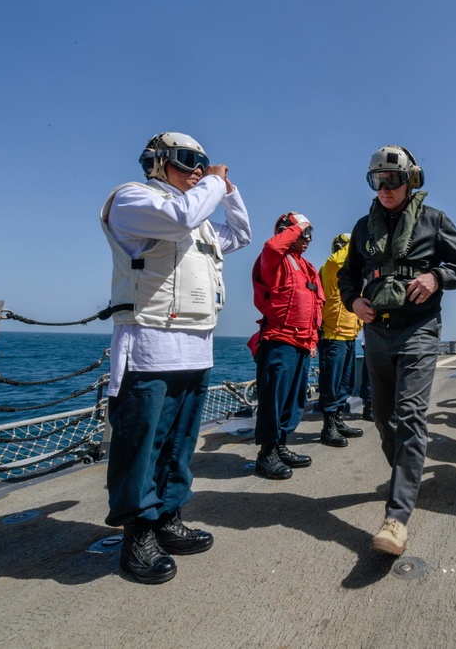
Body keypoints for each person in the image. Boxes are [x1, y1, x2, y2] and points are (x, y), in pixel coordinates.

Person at [100, 131, 251, 584]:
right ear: (157, 162)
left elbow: (241, 234)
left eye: (202, 163)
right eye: (187, 161)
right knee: (142, 445)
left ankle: (168, 517)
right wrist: (214, 185)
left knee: (180, 444)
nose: (197, 171)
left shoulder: (201, 216)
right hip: (150, 345)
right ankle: (138, 531)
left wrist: (230, 189)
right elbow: (182, 215)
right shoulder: (134, 200)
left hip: (196, 345)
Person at [338, 145, 456, 556]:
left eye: (392, 180)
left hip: (418, 330)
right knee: (383, 419)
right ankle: (406, 475)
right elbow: (348, 276)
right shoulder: (364, 227)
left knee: (412, 416)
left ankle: (396, 518)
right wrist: (352, 302)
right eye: (376, 181)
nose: (384, 188)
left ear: (410, 180)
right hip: (377, 335)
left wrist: (436, 276)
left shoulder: (435, 222)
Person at [249, 212, 324, 480]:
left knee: (293, 400)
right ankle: (266, 454)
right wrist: (298, 226)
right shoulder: (274, 260)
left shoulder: (307, 267)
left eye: (310, 234)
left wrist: (313, 340)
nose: (307, 239)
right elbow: (271, 245)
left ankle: (281, 446)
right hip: (278, 340)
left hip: (302, 343)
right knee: (273, 398)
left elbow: (316, 305)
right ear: (286, 232)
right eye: (303, 234)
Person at [316, 233, 364, 444]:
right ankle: (328, 428)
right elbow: (338, 259)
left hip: (349, 336)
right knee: (331, 384)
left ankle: (338, 421)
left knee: (345, 383)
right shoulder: (332, 266)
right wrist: (356, 244)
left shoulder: (350, 278)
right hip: (332, 336)